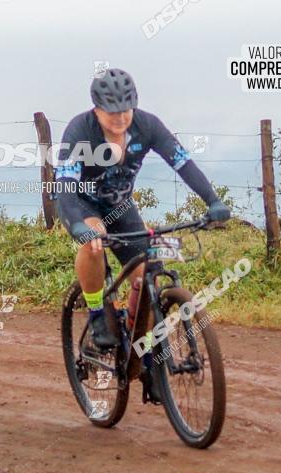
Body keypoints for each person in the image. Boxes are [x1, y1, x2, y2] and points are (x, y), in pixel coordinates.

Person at [55, 69, 230, 397]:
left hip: (121, 209)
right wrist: (77, 223)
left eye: (126, 109)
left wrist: (213, 200)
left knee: (147, 272)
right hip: (82, 206)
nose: (120, 117)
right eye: (112, 111)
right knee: (93, 243)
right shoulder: (80, 130)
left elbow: (183, 163)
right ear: (96, 108)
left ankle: (146, 358)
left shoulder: (147, 125)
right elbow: (64, 185)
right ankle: (96, 313)